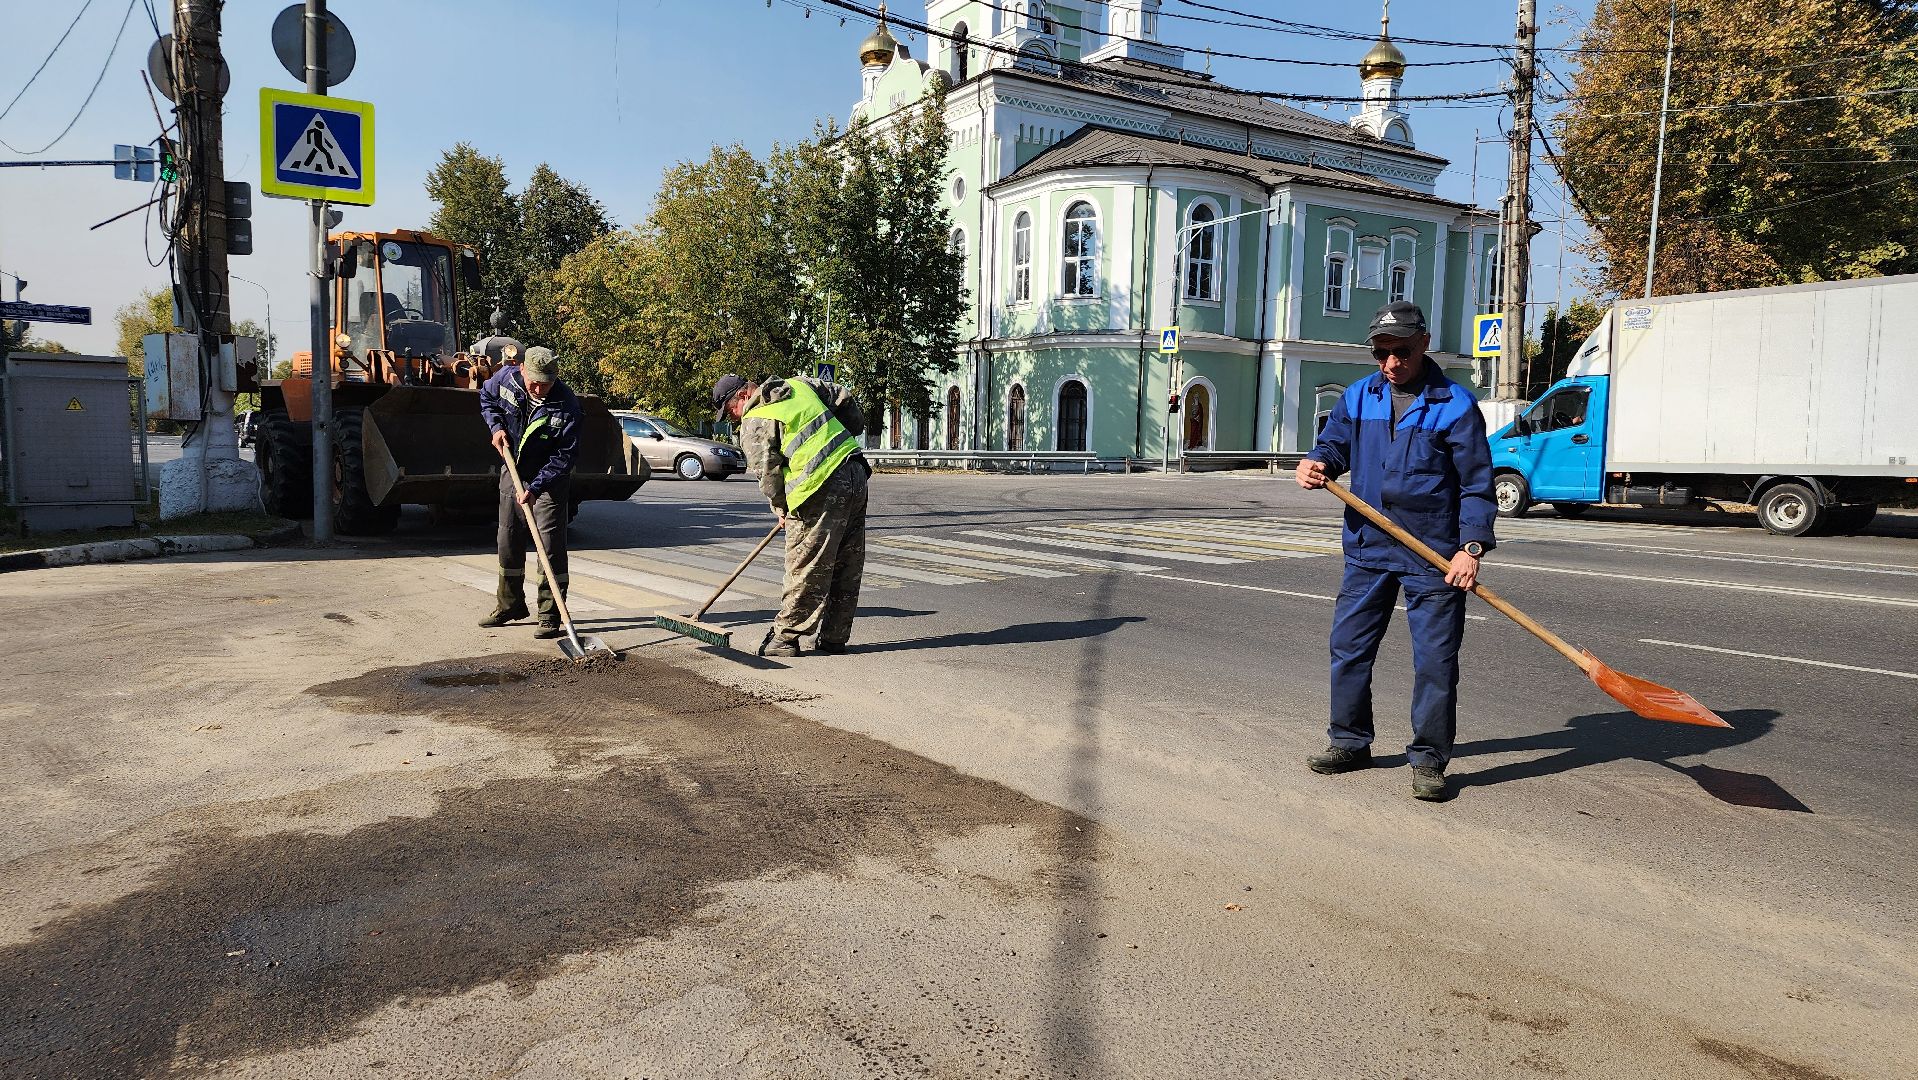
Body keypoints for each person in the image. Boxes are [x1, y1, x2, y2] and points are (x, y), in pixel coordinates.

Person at [1295, 301, 1498, 801]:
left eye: (1401, 352)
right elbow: (1336, 445)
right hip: (1368, 546)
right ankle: (1350, 742)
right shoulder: (1361, 395)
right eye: (1381, 353)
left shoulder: (1455, 404)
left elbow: (1476, 486)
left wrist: (1470, 548)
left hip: (1433, 555)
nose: (1390, 364)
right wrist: (1317, 462)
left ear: (1424, 343)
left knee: (1434, 662)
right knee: (1349, 649)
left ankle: (1429, 759)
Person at [712, 370, 870, 657]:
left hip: (819, 487)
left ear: (744, 396)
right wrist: (849, 430)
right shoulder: (801, 385)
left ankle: (785, 638)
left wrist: (782, 508)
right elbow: (845, 400)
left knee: (806, 564)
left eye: (731, 410)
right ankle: (834, 638)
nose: (733, 417)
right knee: (846, 562)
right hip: (855, 472)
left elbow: (767, 474)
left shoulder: (756, 418)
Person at [478, 346, 581, 638]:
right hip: (513, 468)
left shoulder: (567, 405)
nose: (538, 388)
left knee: (548, 544)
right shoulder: (505, 379)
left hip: (549, 478)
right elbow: (486, 398)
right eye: (534, 381)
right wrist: (496, 427)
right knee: (507, 537)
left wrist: (535, 488)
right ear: (522, 369)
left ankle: (550, 614)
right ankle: (509, 605)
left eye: (545, 383)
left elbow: (565, 457)